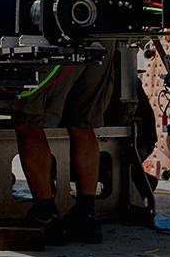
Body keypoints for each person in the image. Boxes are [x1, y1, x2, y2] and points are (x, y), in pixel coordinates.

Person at [11, 51, 115, 244]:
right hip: (103, 38)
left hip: (59, 37)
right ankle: (87, 215)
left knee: (29, 122)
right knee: (82, 124)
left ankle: (45, 214)